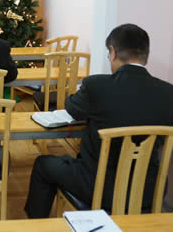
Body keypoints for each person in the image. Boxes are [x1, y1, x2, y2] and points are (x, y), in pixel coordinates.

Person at [24, 24, 173, 218]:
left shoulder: (96, 85)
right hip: (148, 191)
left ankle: (36, 224)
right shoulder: (168, 93)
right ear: (146, 56)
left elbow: (72, 108)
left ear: (113, 52)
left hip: (99, 188)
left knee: (43, 165)